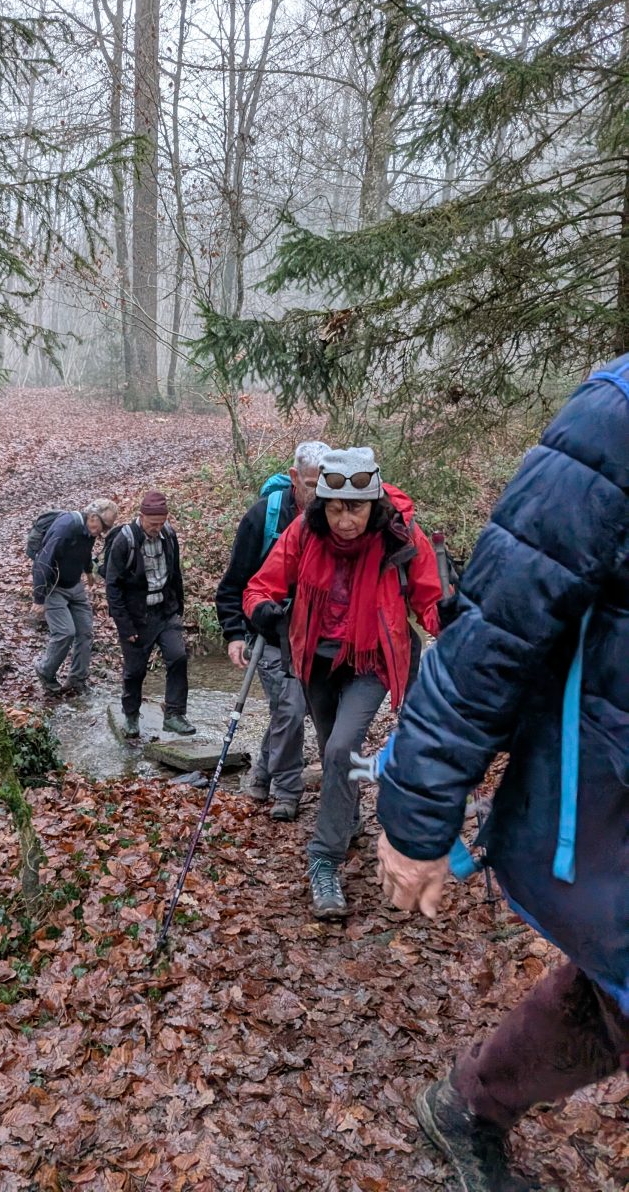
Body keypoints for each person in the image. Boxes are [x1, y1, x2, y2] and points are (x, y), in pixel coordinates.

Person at [373, 362, 628, 1192]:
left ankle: (467, 1106)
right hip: (607, 807)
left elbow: (433, 593)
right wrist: (418, 810)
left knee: (609, 994)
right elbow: (495, 623)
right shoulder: (618, 418)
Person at [243, 447, 441, 918]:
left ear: (373, 504)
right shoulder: (304, 531)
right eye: (334, 509)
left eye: (355, 509)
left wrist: (452, 620)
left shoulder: (399, 534)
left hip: (372, 660)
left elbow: (429, 600)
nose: (344, 521)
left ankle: (324, 859)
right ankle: (347, 819)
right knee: (335, 749)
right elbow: (259, 587)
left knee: (339, 749)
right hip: (316, 659)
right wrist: (264, 612)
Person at [216, 440, 332, 821]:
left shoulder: (336, 517)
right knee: (291, 708)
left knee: (289, 710)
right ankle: (287, 790)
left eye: (327, 483)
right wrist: (234, 634)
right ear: (295, 477)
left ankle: (262, 775)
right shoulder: (263, 517)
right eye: (312, 484)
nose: (320, 493)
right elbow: (233, 583)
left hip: (313, 635)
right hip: (268, 633)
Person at [105, 490, 195, 739]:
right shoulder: (125, 541)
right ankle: (131, 715)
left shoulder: (169, 536)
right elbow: (113, 587)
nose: (156, 528)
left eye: (161, 522)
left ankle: (174, 715)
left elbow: (175, 573)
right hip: (137, 617)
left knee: (178, 657)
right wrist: (125, 626)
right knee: (135, 671)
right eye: (153, 523)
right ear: (141, 516)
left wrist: (178, 608)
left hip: (165, 612)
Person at [32, 498, 118, 694]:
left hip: (74, 586)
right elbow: (42, 561)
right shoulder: (65, 527)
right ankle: (45, 671)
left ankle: (77, 680)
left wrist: (88, 571)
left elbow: (85, 550)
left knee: (85, 631)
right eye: (104, 527)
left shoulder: (89, 530)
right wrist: (39, 598)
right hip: (53, 587)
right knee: (65, 632)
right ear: (93, 517)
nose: (103, 533)